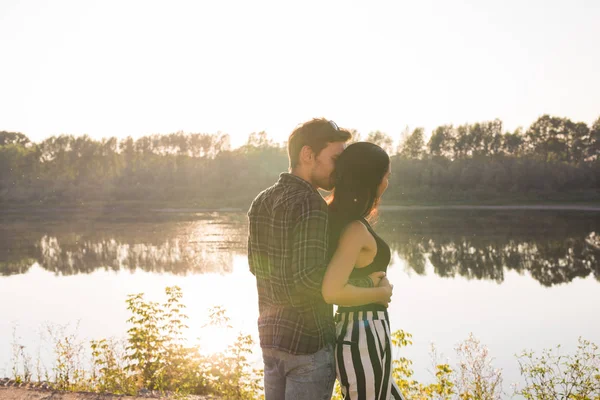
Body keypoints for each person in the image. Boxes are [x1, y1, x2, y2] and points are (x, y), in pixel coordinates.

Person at [247, 118, 394, 400]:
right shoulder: (311, 203)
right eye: (335, 158)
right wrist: (368, 284)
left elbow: (257, 268)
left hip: (270, 340)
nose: (339, 170)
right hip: (308, 345)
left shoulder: (261, 200)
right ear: (307, 154)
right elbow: (310, 281)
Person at [322, 142, 406, 399]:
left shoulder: (356, 225)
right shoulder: (355, 230)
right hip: (359, 335)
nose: (387, 183)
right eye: (386, 176)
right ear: (373, 179)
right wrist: (378, 294)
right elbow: (331, 291)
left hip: (370, 332)